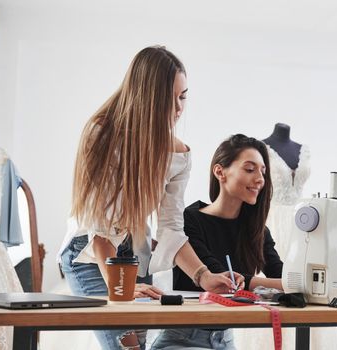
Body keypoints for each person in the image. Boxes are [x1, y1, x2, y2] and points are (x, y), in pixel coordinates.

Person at [57, 46, 241, 350]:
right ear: (146, 98)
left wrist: (204, 276)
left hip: (132, 253)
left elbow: (170, 228)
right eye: (169, 99)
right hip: (89, 254)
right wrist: (122, 291)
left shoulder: (178, 154)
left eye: (183, 97)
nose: (179, 109)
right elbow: (99, 230)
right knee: (126, 347)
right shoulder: (101, 135)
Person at [150, 134, 283, 350]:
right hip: (183, 338)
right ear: (220, 172)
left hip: (225, 340)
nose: (260, 179)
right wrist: (283, 284)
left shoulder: (257, 230)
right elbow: (223, 281)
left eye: (262, 172)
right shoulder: (189, 220)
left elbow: (283, 276)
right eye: (250, 169)